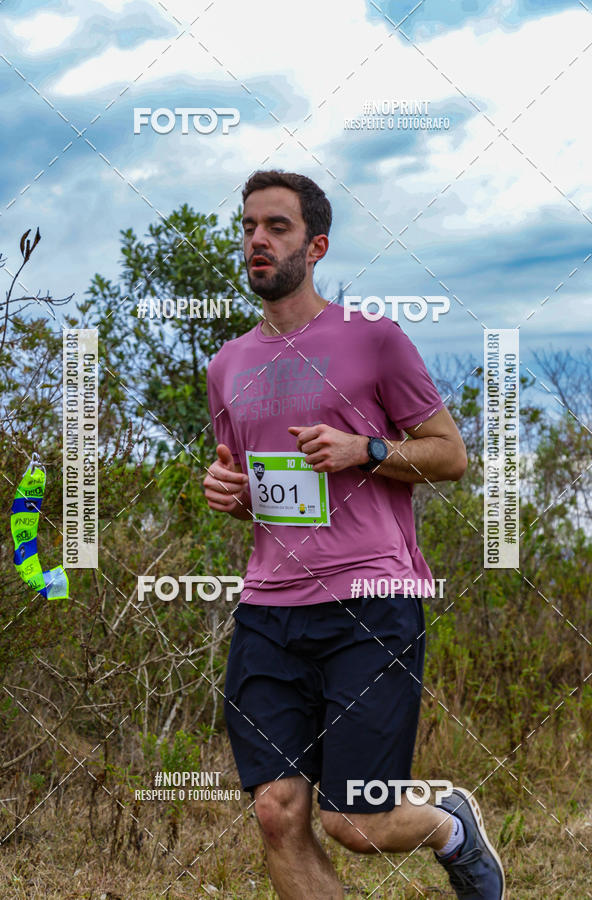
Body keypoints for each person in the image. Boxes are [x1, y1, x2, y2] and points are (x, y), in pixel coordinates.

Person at [203, 169, 505, 899]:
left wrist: (365, 449)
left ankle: (450, 826)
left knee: (354, 821)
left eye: (276, 226)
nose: (257, 241)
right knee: (277, 810)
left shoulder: (373, 340)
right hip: (270, 609)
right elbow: (260, 491)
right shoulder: (227, 366)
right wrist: (230, 495)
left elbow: (450, 455)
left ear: (318, 244)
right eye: (248, 227)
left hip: (370, 601)